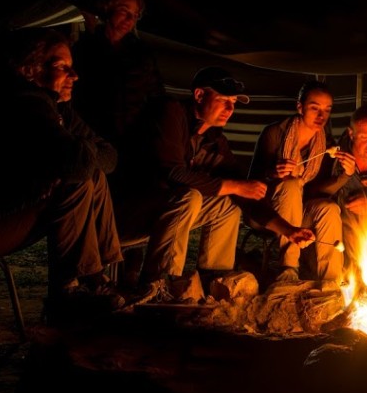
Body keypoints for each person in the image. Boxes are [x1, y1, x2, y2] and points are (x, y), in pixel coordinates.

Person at [0, 28, 146, 320]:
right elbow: (77, 164)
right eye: (62, 67)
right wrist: (83, 149)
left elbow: (110, 158)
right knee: (76, 181)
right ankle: (65, 292)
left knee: (94, 176)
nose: (74, 75)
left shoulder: (53, 106)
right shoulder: (21, 103)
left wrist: (81, 148)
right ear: (29, 69)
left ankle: (95, 280)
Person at [116, 66, 315, 298]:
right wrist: (235, 186)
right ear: (199, 95)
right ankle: (159, 284)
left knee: (229, 202)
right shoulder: (170, 112)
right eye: (223, 100)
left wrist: (289, 230)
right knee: (190, 195)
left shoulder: (214, 141)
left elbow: (244, 193)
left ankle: (215, 280)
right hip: (124, 214)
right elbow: (172, 173)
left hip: (164, 215)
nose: (230, 109)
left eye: (233, 102)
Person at [249, 80, 343, 287]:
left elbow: (316, 191)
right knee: (290, 184)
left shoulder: (326, 145)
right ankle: (288, 269)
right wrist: (272, 173)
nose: (321, 116)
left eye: (327, 110)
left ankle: (331, 279)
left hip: (300, 209)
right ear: (299, 107)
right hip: (269, 210)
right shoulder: (275, 134)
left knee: (329, 208)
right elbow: (252, 183)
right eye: (314, 108)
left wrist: (344, 175)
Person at [306, 104, 367, 280]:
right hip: (342, 233)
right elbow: (313, 197)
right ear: (351, 134)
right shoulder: (332, 159)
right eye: (365, 137)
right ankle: (346, 280)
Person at [71, 0, 166, 155]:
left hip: (132, 143)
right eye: (124, 11)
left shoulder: (142, 54)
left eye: (135, 15)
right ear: (108, 8)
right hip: (94, 141)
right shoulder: (85, 50)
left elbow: (157, 95)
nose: (130, 19)